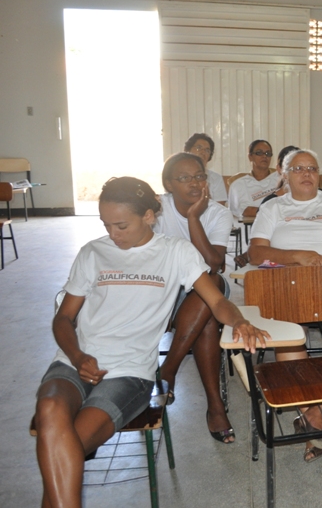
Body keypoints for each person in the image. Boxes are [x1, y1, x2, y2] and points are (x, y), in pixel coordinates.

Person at [34, 177, 270, 507]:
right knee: (50, 408)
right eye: (106, 225)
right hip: (73, 362)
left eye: (121, 225)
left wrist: (240, 321)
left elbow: (216, 301)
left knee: (64, 445)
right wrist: (76, 355)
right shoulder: (93, 252)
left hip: (130, 372)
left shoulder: (174, 252)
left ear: (148, 216)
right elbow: (63, 318)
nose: (113, 235)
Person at [248, 149, 322, 463]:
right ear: (284, 174)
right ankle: (316, 416)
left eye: (312, 168)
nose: (306, 173)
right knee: (290, 334)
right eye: (298, 168)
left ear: (320, 174)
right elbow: (257, 253)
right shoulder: (273, 207)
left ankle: (313, 414)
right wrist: (299, 258)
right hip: (288, 280)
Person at [153, 152, 237, 443]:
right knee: (207, 324)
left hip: (207, 287)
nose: (194, 183)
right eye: (184, 178)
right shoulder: (155, 210)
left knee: (208, 284)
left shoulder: (217, 213)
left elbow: (213, 263)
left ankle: (169, 370)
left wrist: (192, 218)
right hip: (162, 290)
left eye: (199, 176)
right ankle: (215, 407)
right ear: (168, 184)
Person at [227, 139, 281, 219]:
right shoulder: (238, 185)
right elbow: (247, 212)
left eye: (268, 153)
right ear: (250, 157)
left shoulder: (281, 179)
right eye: (259, 153)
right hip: (249, 228)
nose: (264, 156)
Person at [185, 133, 227, 204]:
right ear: (187, 150)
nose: (203, 152)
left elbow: (220, 207)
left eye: (207, 150)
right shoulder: (178, 175)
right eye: (199, 148)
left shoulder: (216, 178)